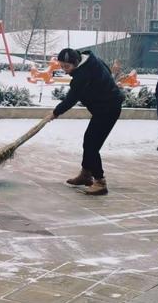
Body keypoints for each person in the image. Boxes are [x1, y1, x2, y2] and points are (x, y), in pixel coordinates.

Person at [45, 48, 124, 195]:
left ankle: (100, 182)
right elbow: (105, 69)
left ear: (75, 63)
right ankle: (86, 175)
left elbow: (71, 98)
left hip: (108, 109)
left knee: (91, 145)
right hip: (104, 107)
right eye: (62, 66)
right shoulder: (91, 60)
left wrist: (55, 113)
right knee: (89, 141)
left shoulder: (83, 74)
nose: (65, 70)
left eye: (67, 67)